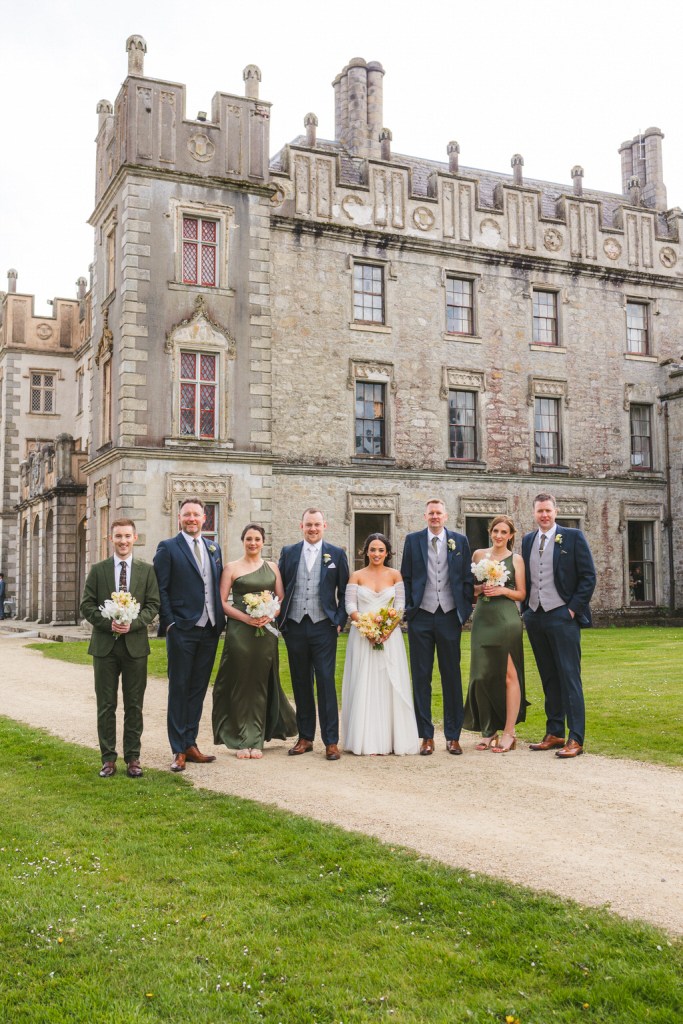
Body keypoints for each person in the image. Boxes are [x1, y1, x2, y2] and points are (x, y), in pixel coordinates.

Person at [80, 518, 160, 778]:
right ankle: (108, 759)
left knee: (134, 705)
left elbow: (152, 605)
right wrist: (108, 624)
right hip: (105, 647)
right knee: (106, 705)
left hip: (135, 647)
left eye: (127, 536)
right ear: (110, 539)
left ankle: (133, 758)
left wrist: (134, 624)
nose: (123, 541)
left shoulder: (146, 571)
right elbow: (87, 605)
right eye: (118, 536)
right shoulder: (99, 570)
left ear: (134, 538)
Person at [153, 497, 226, 772]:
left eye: (196, 514)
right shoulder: (168, 548)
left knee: (198, 688)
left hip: (209, 629)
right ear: (180, 518)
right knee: (179, 688)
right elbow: (161, 588)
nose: (192, 519)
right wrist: (170, 622)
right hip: (182, 629)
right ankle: (177, 749)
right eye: (187, 515)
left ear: (204, 518)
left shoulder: (213, 547)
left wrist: (219, 622)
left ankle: (191, 742)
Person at [212, 523, 297, 759]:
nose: (253, 543)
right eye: (249, 539)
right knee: (241, 682)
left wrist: (269, 614)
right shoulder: (231, 568)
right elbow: (222, 603)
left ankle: (256, 739)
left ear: (263, 541)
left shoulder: (272, 567)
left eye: (257, 539)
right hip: (240, 631)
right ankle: (241, 739)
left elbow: (280, 597)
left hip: (266, 631)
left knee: (261, 682)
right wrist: (246, 618)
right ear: (243, 541)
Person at [522, 493, 596, 759]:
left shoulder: (573, 537)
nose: (544, 515)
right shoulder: (528, 540)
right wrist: (526, 611)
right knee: (549, 677)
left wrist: (572, 609)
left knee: (569, 677)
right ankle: (554, 732)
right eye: (540, 511)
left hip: (562, 616)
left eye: (548, 511)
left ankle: (575, 738)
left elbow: (588, 576)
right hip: (535, 616)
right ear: (534, 513)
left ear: (556, 511)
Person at [401, 498, 474, 755]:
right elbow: (407, 577)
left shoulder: (459, 541)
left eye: (438, 513)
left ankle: (453, 736)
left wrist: (462, 612)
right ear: (425, 516)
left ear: (446, 516)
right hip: (421, 616)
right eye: (431, 513)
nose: (434, 517)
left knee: (451, 676)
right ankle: (426, 736)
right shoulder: (412, 540)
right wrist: (411, 609)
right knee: (421, 677)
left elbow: (466, 578)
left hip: (449, 616)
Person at [279, 507, 349, 760]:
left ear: (324, 526)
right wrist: (281, 619)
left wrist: (339, 620)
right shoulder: (288, 553)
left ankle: (331, 741)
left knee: (326, 682)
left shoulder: (337, 554)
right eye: (308, 525)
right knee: (300, 681)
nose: (312, 529)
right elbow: (282, 587)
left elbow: (345, 589)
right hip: (295, 625)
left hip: (323, 626)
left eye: (317, 525)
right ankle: (305, 737)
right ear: (301, 526)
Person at [342, 534, 419, 756]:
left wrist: (386, 629)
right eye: (373, 549)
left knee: (389, 682)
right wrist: (366, 627)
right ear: (365, 551)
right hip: (363, 637)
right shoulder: (356, 576)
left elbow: (401, 606)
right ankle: (366, 740)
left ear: (387, 553)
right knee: (364, 681)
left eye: (381, 550)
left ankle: (393, 739)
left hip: (389, 636)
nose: (376, 554)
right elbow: (349, 605)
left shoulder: (395, 575)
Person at [463, 515, 527, 753]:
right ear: (490, 532)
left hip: (506, 619)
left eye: (504, 532)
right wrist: (480, 589)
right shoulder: (478, 555)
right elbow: (469, 588)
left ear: (510, 535)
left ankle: (509, 732)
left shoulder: (516, 559)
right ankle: (489, 730)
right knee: (481, 675)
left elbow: (521, 594)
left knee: (509, 675)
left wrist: (502, 590)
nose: (499, 536)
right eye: (496, 531)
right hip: (483, 618)